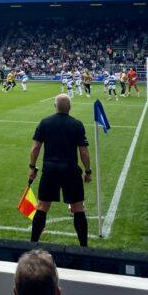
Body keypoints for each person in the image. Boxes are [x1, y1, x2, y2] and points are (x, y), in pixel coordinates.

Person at [28, 94, 92, 246]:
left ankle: (32, 245)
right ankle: (84, 247)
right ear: (70, 107)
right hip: (70, 170)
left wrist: (32, 167)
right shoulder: (77, 124)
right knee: (77, 207)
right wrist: (87, 171)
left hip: (50, 170)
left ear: (54, 106)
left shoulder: (45, 123)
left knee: (42, 206)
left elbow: (35, 147)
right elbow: (83, 152)